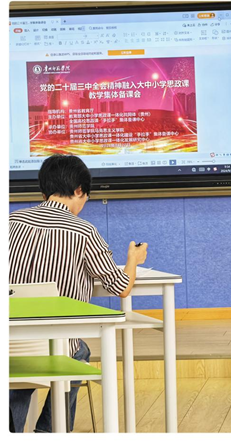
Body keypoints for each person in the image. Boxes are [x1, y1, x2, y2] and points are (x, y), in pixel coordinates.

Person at [9, 154, 148, 432]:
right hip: (54, 346)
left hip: (8, 342)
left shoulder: (11, 222)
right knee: (78, 350)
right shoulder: (84, 232)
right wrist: (133, 259)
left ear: (44, 190)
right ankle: (51, 431)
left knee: (21, 367)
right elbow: (121, 287)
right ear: (79, 190)